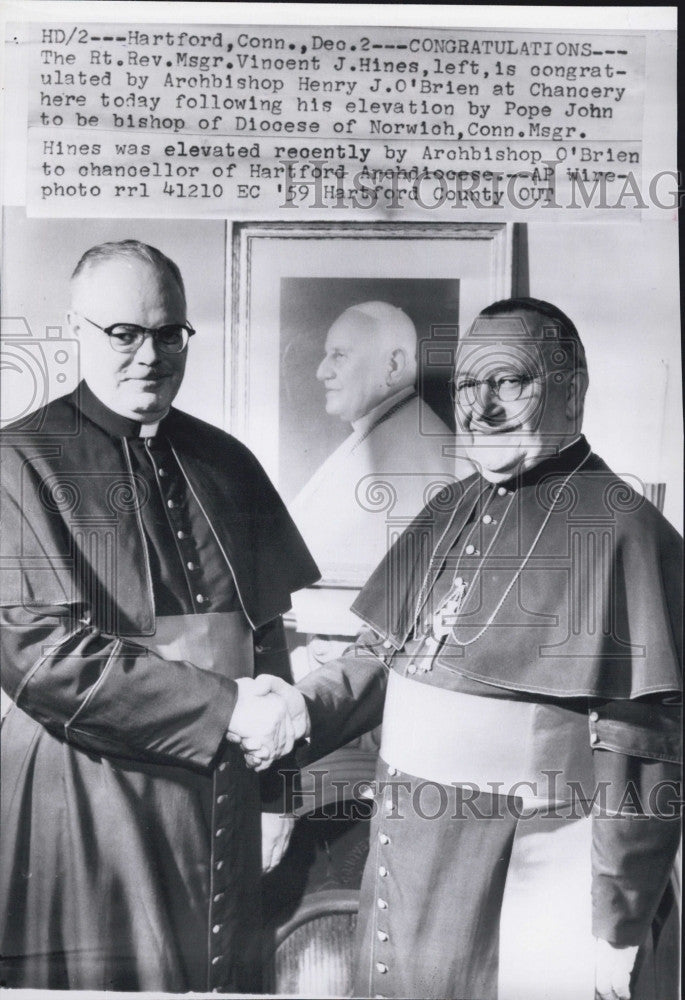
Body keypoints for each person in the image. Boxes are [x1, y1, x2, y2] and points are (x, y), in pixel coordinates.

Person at [243, 298, 682, 1000]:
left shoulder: (625, 530)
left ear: (570, 387)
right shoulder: (447, 507)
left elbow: (643, 750)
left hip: (518, 875)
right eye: (464, 387)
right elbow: (375, 660)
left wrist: (616, 922)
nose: (478, 408)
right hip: (409, 861)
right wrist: (293, 709)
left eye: (505, 381)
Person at [0, 240, 317, 992]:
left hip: (222, 797)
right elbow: (39, 655)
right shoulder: (20, 459)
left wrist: (278, 795)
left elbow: (264, 637)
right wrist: (229, 709)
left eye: (167, 333)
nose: (149, 355)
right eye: (123, 334)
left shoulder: (226, 460)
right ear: (77, 331)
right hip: (87, 793)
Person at [289, 301, 468, 583]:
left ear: (392, 365)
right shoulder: (394, 425)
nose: (321, 371)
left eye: (339, 355)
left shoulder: (406, 452)